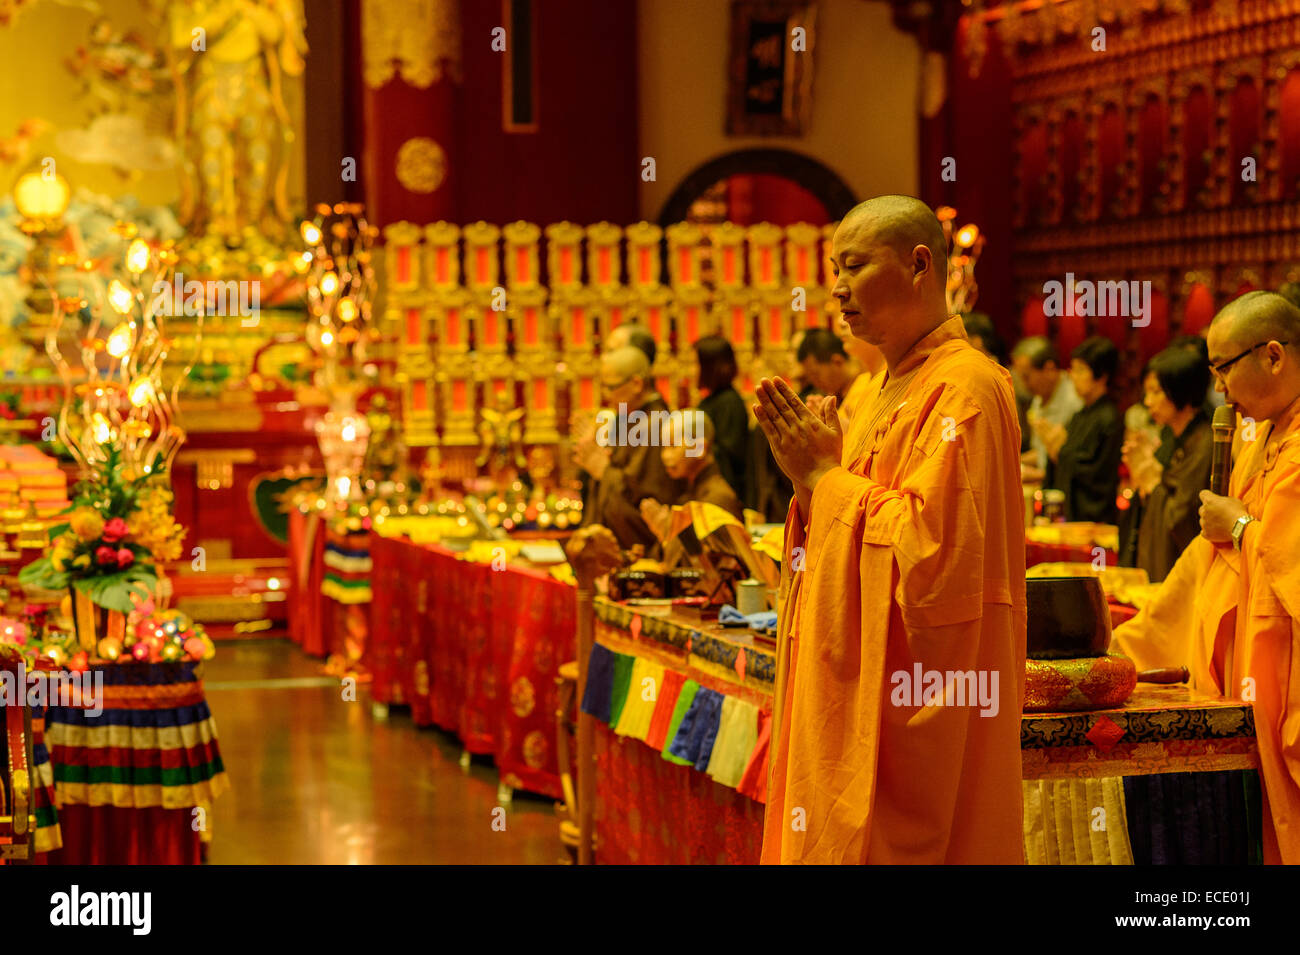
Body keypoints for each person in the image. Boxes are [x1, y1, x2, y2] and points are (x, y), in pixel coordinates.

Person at [753, 195, 1026, 864]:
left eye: (853, 266)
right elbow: (839, 524)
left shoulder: (966, 391)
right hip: (847, 676)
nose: (836, 289)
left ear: (919, 264)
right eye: (832, 270)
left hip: (918, 694)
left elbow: (935, 560)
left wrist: (825, 478)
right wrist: (806, 484)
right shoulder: (869, 390)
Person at [1112, 290, 1300, 863]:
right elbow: (1208, 559)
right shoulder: (1259, 437)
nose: (1219, 389)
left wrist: (1241, 526)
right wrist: (1125, 647)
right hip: (1248, 667)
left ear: (1273, 355)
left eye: (1224, 368)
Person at [574, 346, 680, 549]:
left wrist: (603, 471)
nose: (606, 395)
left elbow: (643, 499)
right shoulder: (630, 419)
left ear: (637, 384)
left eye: (611, 387)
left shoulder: (654, 424)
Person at [1124, 347, 1213, 582]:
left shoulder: (1205, 444)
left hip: (1187, 574)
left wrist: (1153, 482)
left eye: (1156, 392)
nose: (1147, 401)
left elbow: (1185, 519)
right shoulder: (1168, 437)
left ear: (1180, 391)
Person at [1048, 336, 1124, 522]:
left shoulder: (1109, 418)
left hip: (1093, 516)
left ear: (1102, 376)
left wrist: (1059, 451)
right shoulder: (1080, 414)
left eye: (1081, 370)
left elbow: (1097, 473)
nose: (1073, 377)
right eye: (1073, 370)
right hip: (1070, 512)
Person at [639, 409, 745, 533]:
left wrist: (666, 533)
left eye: (673, 445)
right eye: (664, 446)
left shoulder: (717, 499)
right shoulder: (691, 493)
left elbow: (707, 553)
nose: (665, 456)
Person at [1012, 336, 1083, 475]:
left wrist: (1025, 474)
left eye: (1026, 377)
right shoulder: (1038, 399)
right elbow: (1041, 453)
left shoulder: (1074, 401)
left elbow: (1070, 465)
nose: (1024, 384)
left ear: (1049, 369)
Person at [694, 336, 749, 503]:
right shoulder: (711, 400)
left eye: (697, 364)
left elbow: (730, 453)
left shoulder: (729, 403)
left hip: (725, 488)